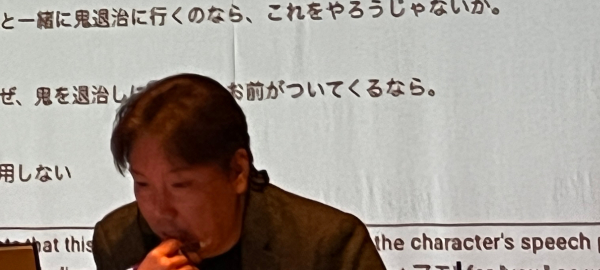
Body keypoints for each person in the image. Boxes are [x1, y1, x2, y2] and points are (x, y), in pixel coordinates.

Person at [92, 74, 384, 270]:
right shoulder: (119, 241)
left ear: (238, 171)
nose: (160, 210)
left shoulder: (326, 246)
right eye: (143, 184)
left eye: (180, 185)